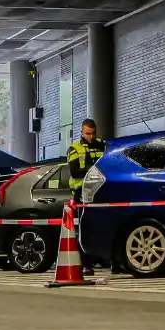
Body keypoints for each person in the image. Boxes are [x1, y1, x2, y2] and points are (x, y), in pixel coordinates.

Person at [68, 118, 106, 275]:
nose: (91, 136)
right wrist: (95, 172)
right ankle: (86, 264)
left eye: (93, 133)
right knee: (85, 230)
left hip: (102, 192)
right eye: (88, 133)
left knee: (103, 228)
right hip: (82, 193)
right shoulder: (74, 148)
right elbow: (75, 172)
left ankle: (110, 262)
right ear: (82, 133)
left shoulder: (102, 145)